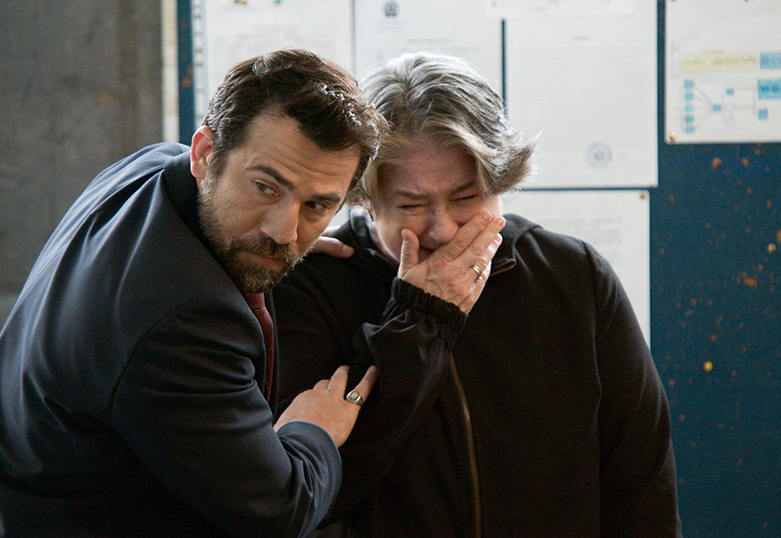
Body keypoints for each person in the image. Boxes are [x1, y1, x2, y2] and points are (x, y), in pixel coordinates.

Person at [0, 49, 385, 538]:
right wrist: (314, 431)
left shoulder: (149, 169)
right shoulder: (182, 320)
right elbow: (281, 510)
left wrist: (273, 242)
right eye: (266, 188)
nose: (285, 230)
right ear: (205, 154)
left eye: (315, 206)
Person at [274, 52, 682, 537]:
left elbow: (641, 487)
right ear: (367, 198)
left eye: (466, 197)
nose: (442, 230)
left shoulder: (573, 275)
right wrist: (419, 320)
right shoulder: (309, 289)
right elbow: (307, 498)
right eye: (411, 204)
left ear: (501, 180)